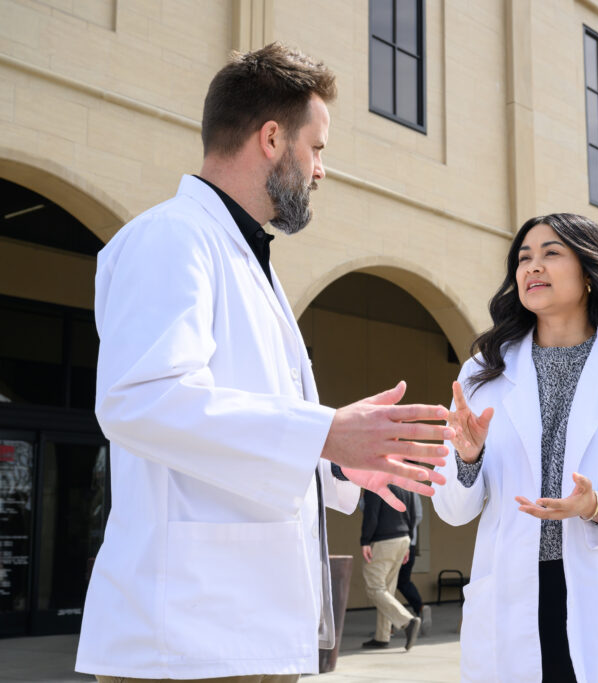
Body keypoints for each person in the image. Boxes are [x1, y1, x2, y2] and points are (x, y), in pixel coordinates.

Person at [75, 43, 453, 682]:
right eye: (319, 148)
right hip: (185, 642)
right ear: (273, 138)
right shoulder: (172, 237)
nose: (322, 170)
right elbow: (139, 401)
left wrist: (337, 456)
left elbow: (253, 430)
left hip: (242, 633)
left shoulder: (247, 259)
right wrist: (323, 431)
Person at [433, 213, 598, 682]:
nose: (532, 266)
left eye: (551, 253)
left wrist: (597, 506)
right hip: (511, 594)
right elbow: (453, 510)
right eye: (523, 258)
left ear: (590, 273)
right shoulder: (482, 373)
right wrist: (467, 461)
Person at [360, 487, 421, 650]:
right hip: (403, 539)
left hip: (384, 541)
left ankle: (407, 621)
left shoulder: (376, 482)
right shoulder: (405, 484)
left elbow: (371, 513)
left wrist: (365, 540)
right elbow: (413, 515)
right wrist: (409, 542)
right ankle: (382, 636)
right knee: (387, 589)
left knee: (375, 587)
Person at [396, 492, 432, 634]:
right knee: (404, 581)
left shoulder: (389, 486)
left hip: (391, 542)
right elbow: (418, 516)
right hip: (410, 543)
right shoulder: (413, 493)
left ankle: (391, 625)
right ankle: (420, 607)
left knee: (387, 584)